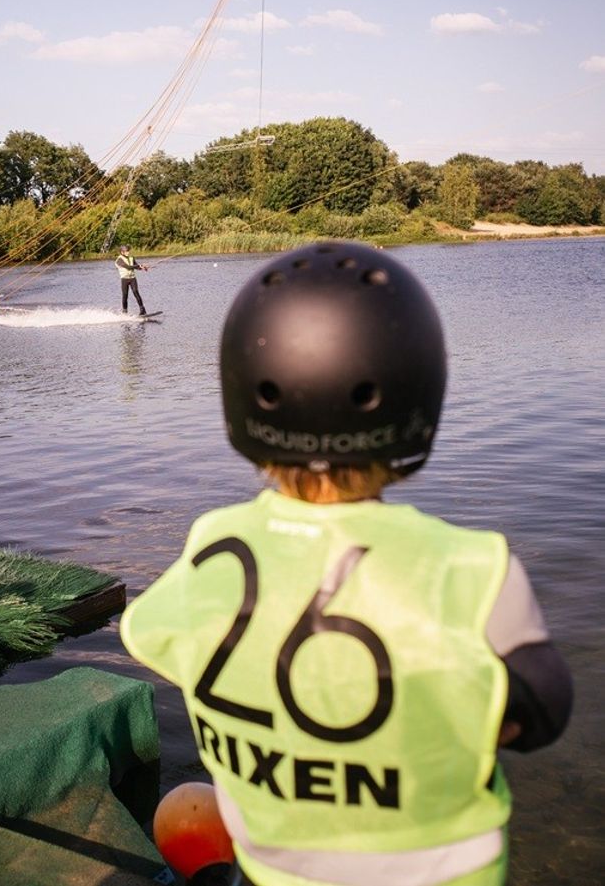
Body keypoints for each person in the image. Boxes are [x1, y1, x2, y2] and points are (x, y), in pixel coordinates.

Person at [121, 241, 572, 886]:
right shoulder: (472, 567)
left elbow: (149, 635)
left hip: (273, 869)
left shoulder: (212, 547)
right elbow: (541, 715)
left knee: (183, 806)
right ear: (419, 395)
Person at [116, 243, 149, 314]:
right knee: (125, 295)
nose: (128, 252)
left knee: (135, 292)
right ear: (122, 252)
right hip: (124, 279)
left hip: (132, 278)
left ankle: (142, 310)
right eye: (127, 251)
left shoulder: (131, 257)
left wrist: (142, 268)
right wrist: (139, 265)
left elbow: (135, 266)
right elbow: (128, 267)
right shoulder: (119, 260)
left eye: (128, 251)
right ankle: (125, 312)